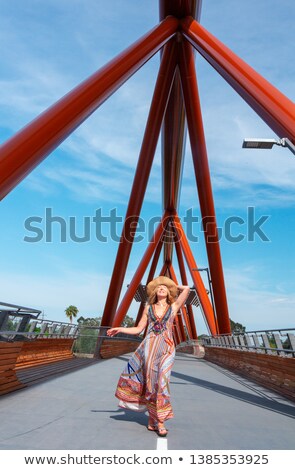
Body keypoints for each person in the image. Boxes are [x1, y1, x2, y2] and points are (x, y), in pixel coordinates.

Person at [107, 276, 190, 437]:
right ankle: (152, 419)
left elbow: (186, 289)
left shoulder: (173, 307)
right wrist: (120, 328)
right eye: (159, 287)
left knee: (162, 383)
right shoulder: (148, 308)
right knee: (152, 385)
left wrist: (171, 284)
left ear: (169, 292)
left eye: (165, 288)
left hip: (167, 348)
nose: (161, 288)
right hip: (150, 348)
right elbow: (138, 329)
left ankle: (160, 421)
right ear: (155, 291)